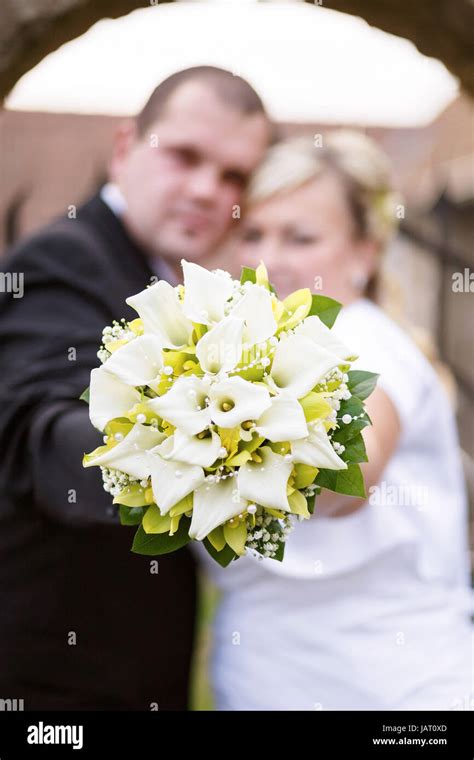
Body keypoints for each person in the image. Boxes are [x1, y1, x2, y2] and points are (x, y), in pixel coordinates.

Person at [0, 66, 271, 710]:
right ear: (126, 148)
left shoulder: (179, 286)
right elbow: (41, 422)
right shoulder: (64, 259)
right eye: (185, 156)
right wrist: (182, 444)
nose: (208, 190)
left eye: (234, 175)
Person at [197, 132, 473, 710]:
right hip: (259, 672)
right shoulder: (233, 354)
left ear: (365, 252)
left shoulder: (363, 340)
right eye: (253, 233)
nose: (267, 259)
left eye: (300, 237)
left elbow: (349, 478)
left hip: (388, 685)